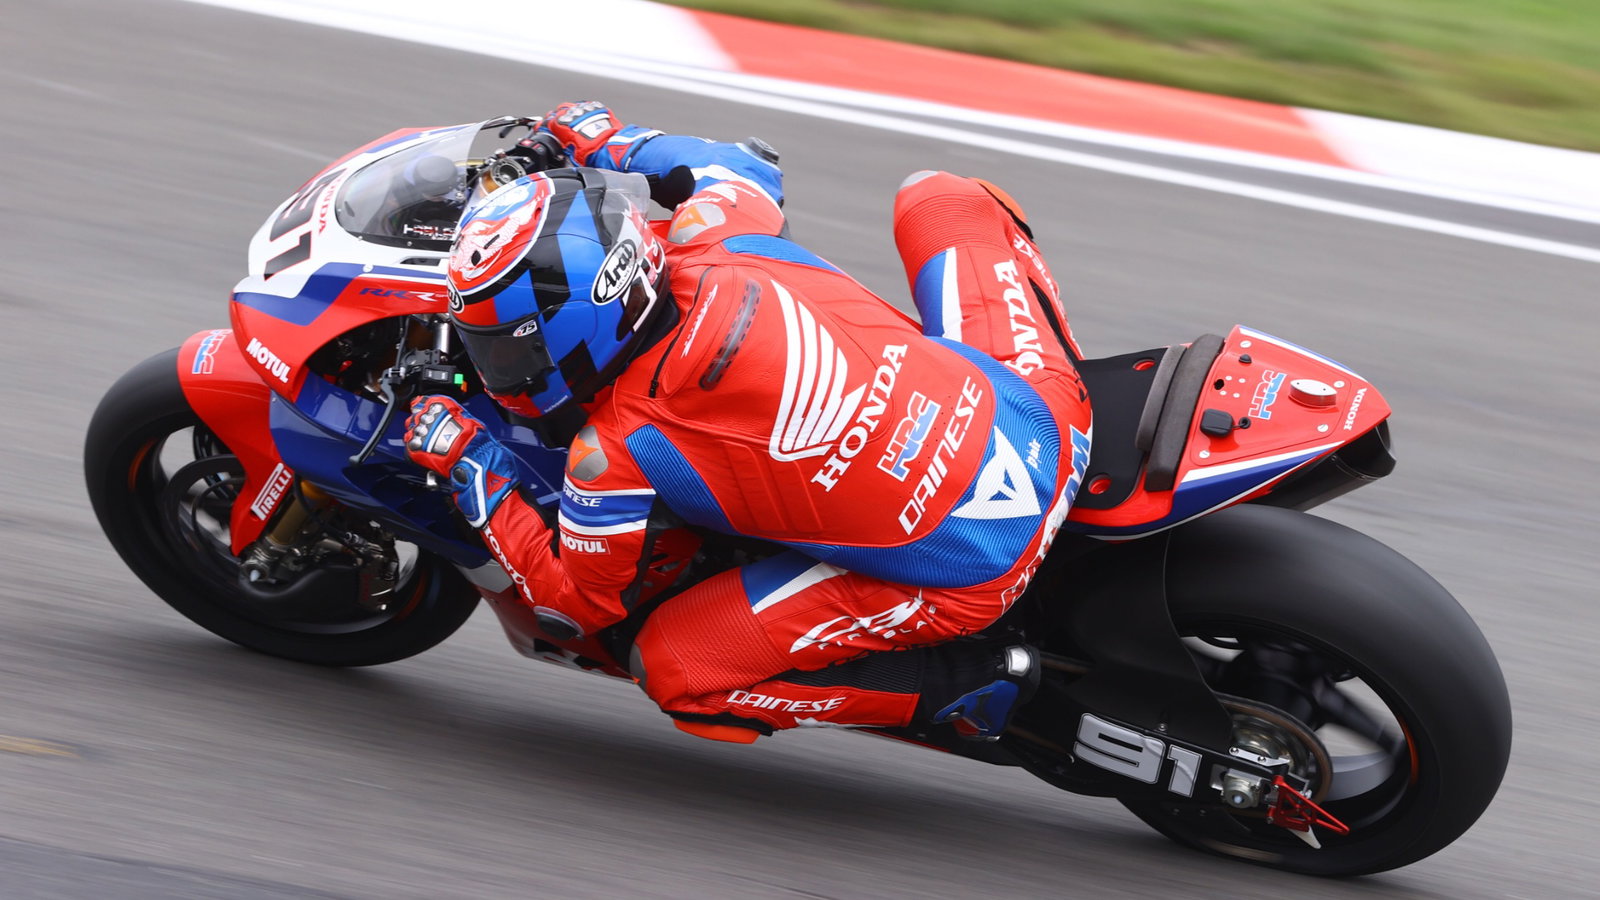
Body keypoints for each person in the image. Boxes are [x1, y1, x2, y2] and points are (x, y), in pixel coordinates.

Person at [404, 101, 1093, 743]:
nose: (492, 365)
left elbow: (574, 604)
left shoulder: (614, 452)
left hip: (974, 568)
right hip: (1050, 419)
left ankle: (966, 684)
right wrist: (608, 140)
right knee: (940, 197)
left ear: (577, 330)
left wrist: (471, 465)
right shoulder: (719, 236)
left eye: (504, 348)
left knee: (674, 668)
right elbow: (739, 164)